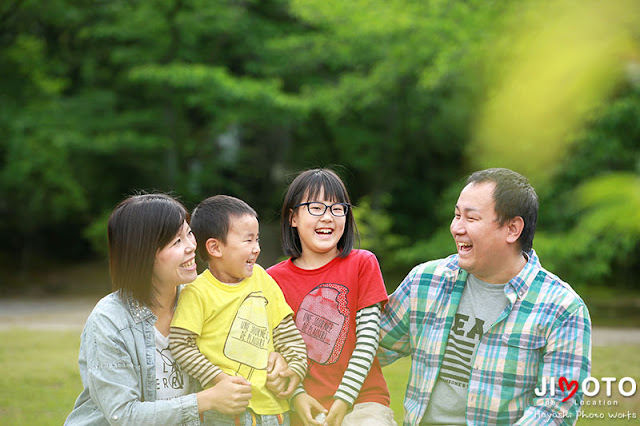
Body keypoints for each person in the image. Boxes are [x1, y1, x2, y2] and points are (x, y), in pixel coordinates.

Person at [379, 168, 592, 425]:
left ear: (513, 229)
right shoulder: (425, 281)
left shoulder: (563, 309)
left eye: (471, 218)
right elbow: (368, 348)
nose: (456, 228)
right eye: (457, 215)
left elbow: (556, 408)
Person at [65, 193, 254, 425]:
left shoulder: (201, 300)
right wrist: (205, 400)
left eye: (189, 234)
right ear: (142, 254)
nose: (191, 247)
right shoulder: (109, 320)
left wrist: (274, 357)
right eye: (177, 242)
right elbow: (124, 415)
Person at [267, 168, 396, 426]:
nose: (328, 217)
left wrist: (345, 398)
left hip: (362, 402)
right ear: (293, 217)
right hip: (304, 408)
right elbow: (277, 349)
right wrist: (297, 396)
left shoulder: (362, 263)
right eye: (316, 208)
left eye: (338, 209)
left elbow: (368, 339)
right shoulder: (272, 280)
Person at [169, 194, 308, 425]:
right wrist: (218, 378)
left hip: (274, 410)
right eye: (248, 241)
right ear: (215, 247)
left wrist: (294, 368)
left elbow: (286, 332)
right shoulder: (197, 292)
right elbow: (181, 344)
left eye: (258, 240)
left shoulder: (262, 279)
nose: (257, 249)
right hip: (224, 413)